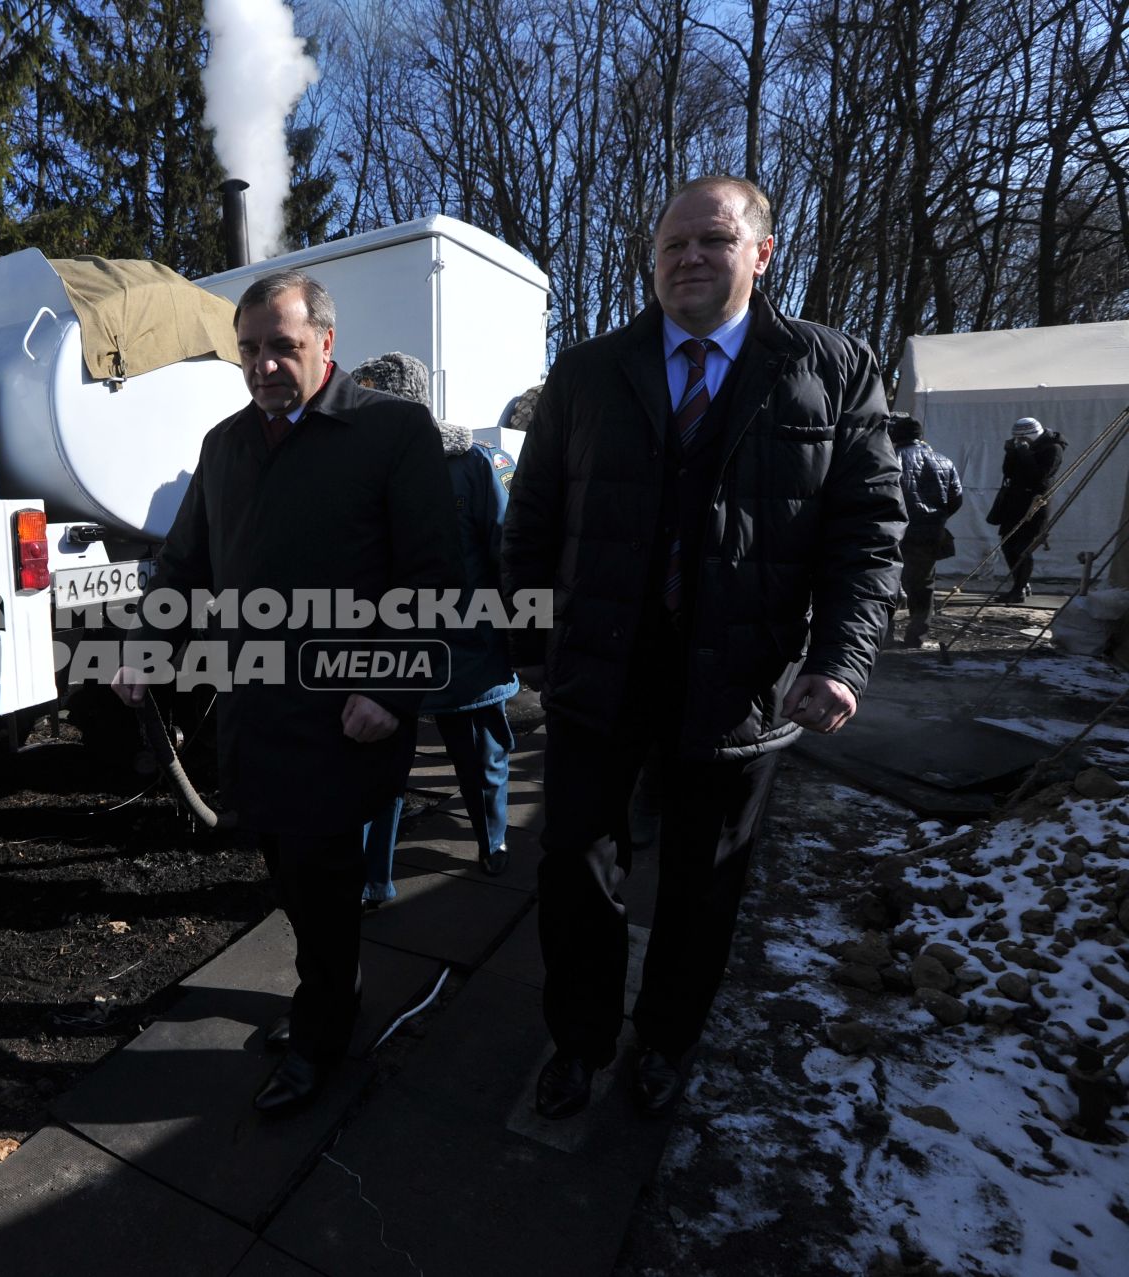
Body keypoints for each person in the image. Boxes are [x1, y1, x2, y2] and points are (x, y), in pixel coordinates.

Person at [502, 175, 903, 1121]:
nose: (687, 258)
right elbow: (531, 521)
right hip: (600, 674)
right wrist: (526, 638)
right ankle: (581, 1040)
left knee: (703, 887)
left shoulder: (832, 370)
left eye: (712, 241)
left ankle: (667, 1040)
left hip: (741, 685)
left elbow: (867, 534)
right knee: (574, 870)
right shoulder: (589, 371)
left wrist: (840, 660)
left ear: (762, 253)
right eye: (671, 244)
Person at [112, 272, 462, 1116]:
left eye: (284, 345)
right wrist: (149, 645)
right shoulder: (225, 444)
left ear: (327, 344)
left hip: (344, 717)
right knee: (290, 875)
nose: (265, 364)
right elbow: (188, 564)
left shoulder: (391, 430)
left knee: (323, 883)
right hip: (254, 715)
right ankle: (330, 998)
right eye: (251, 349)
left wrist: (394, 686)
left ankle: (318, 1042)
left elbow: (436, 575)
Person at [348, 352, 519, 906]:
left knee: (482, 757)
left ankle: (493, 842)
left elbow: (504, 553)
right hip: (388, 650)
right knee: (377, 772)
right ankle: (374, 880)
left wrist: (518, 637)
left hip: (465, 646)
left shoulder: (473, 464)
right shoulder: (359, 469)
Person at [887, 413, 962, 646]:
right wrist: (938, 518)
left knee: (886, 582)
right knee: (923, 585)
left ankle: (884, 635)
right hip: (929, 531)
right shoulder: (943, 460)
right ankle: (917, 635)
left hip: (894, 530)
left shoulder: (888, 459)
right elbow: (956, 498)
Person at [986, 416, 1066, 603]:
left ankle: (1018, 589)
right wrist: (1011, 453)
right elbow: (1009, 472)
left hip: (1035, 504)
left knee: (1023, 548)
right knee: (1008, 545)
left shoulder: (1053, 448)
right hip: (1014, 503)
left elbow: (1040, 477)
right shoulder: (1024, 448)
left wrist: (1025, 453)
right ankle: (1020, 583)